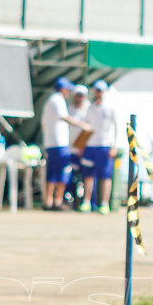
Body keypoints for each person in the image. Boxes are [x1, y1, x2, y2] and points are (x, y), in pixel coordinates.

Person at [41, 77, 89, 211]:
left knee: (51, 173)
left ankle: (49, 201)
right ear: (63, 89)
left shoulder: (49, 101)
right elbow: (65, 117)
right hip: (60, 143)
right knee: (63, 171)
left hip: (50, 143)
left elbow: (43, 124)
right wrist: (82, 125)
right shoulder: (58, 100)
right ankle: (58, 201)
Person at [79, 80, 119, 215]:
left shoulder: (110, 107)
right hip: (90, 146)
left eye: (101, 90)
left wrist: (114, 145)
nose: (99, 93)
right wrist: (82, 145)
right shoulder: (90, 108)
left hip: (104, 145)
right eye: (97, 90)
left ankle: (104, 203)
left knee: (105, 176)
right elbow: (86, 127)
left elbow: (116, 127)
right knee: (88, 175)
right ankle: (86, 202)